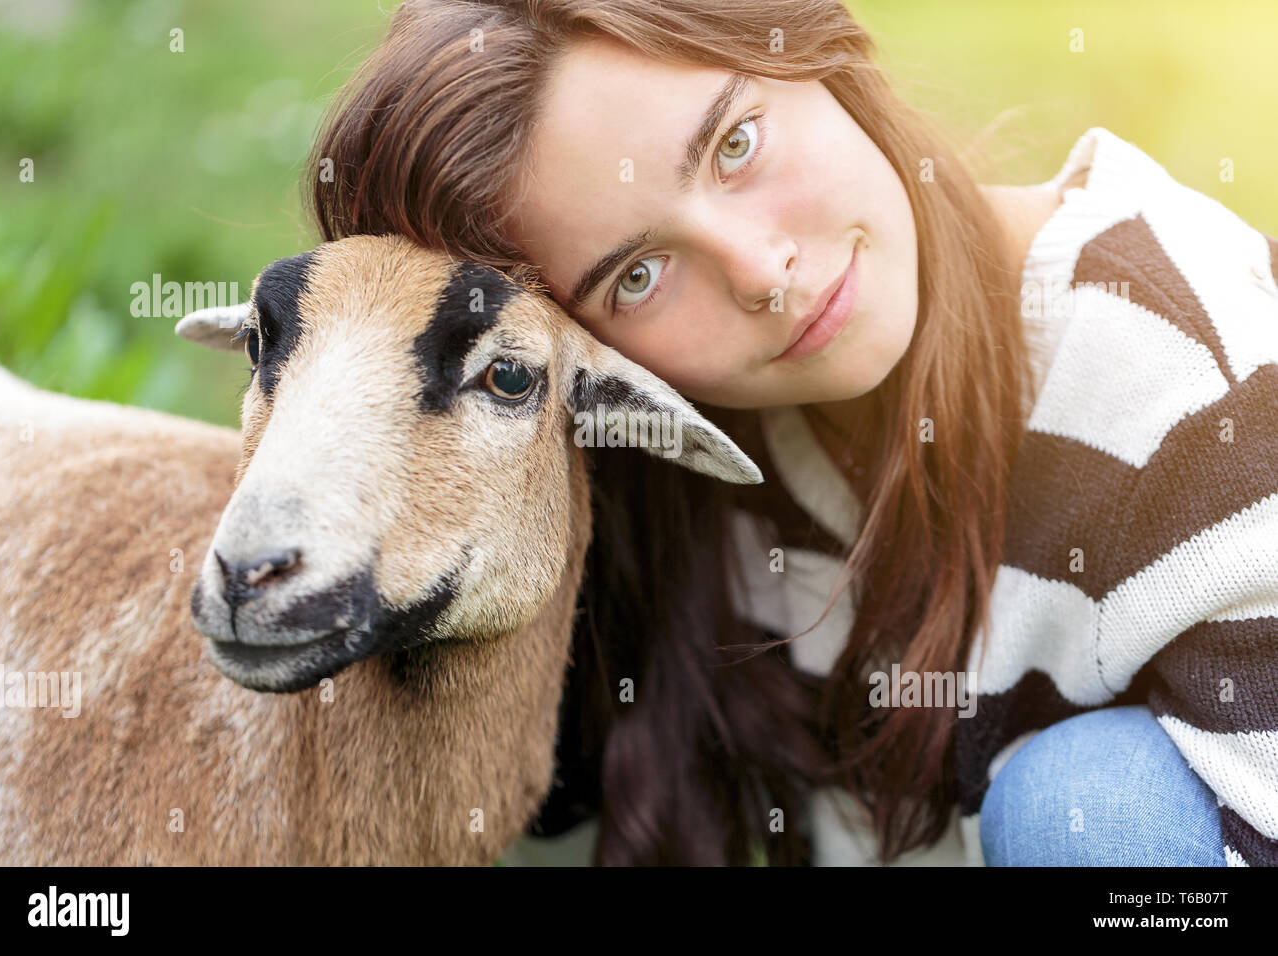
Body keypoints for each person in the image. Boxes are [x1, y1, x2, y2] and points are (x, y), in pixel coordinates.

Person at [305, 0, 1278, 866]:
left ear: (811, 47)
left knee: (1081, 804)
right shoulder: (701, 458)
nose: (763, 270)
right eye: (637, 276)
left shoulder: (1187, 368)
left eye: (734, 144)